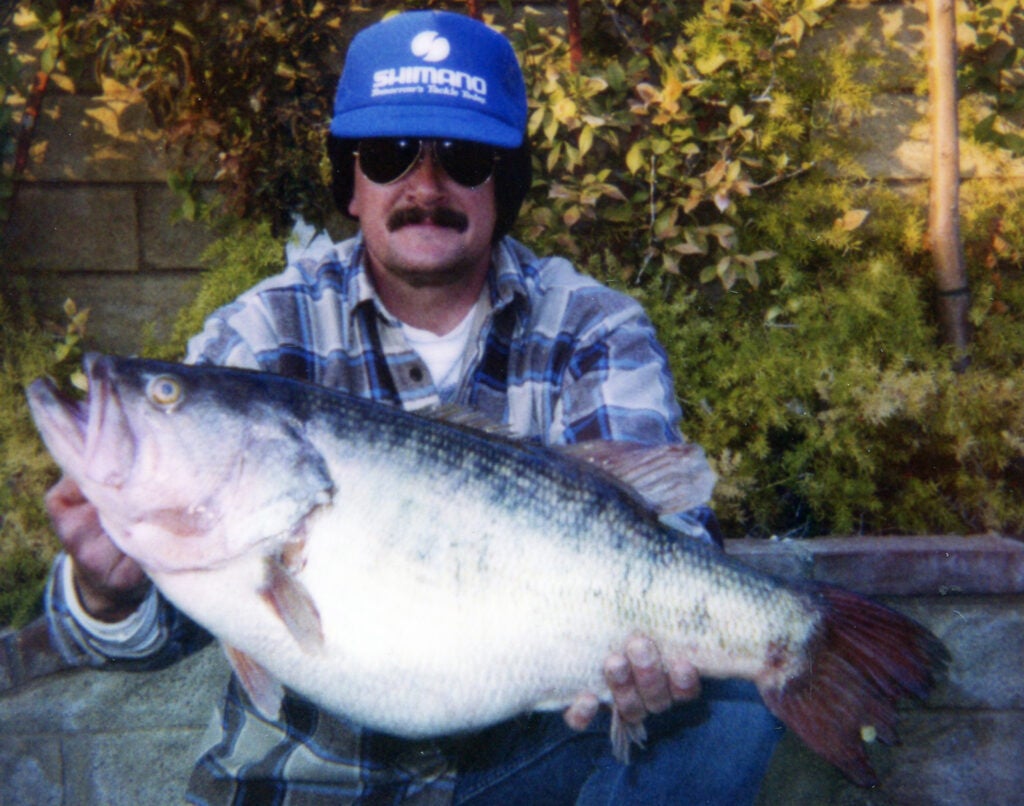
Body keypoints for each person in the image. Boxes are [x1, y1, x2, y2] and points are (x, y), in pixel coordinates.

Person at [41, 10, 781, 804]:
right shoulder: (261, 331)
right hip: (307, 786)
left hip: (524, 768)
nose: (425, 188)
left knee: (735, 715)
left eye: (463, 158)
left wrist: (659, 665)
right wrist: (107, 590)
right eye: (391, 156)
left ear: (507, 182)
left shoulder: (594, 327)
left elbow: (670, 552)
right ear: (351, 182)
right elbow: (135, 641)